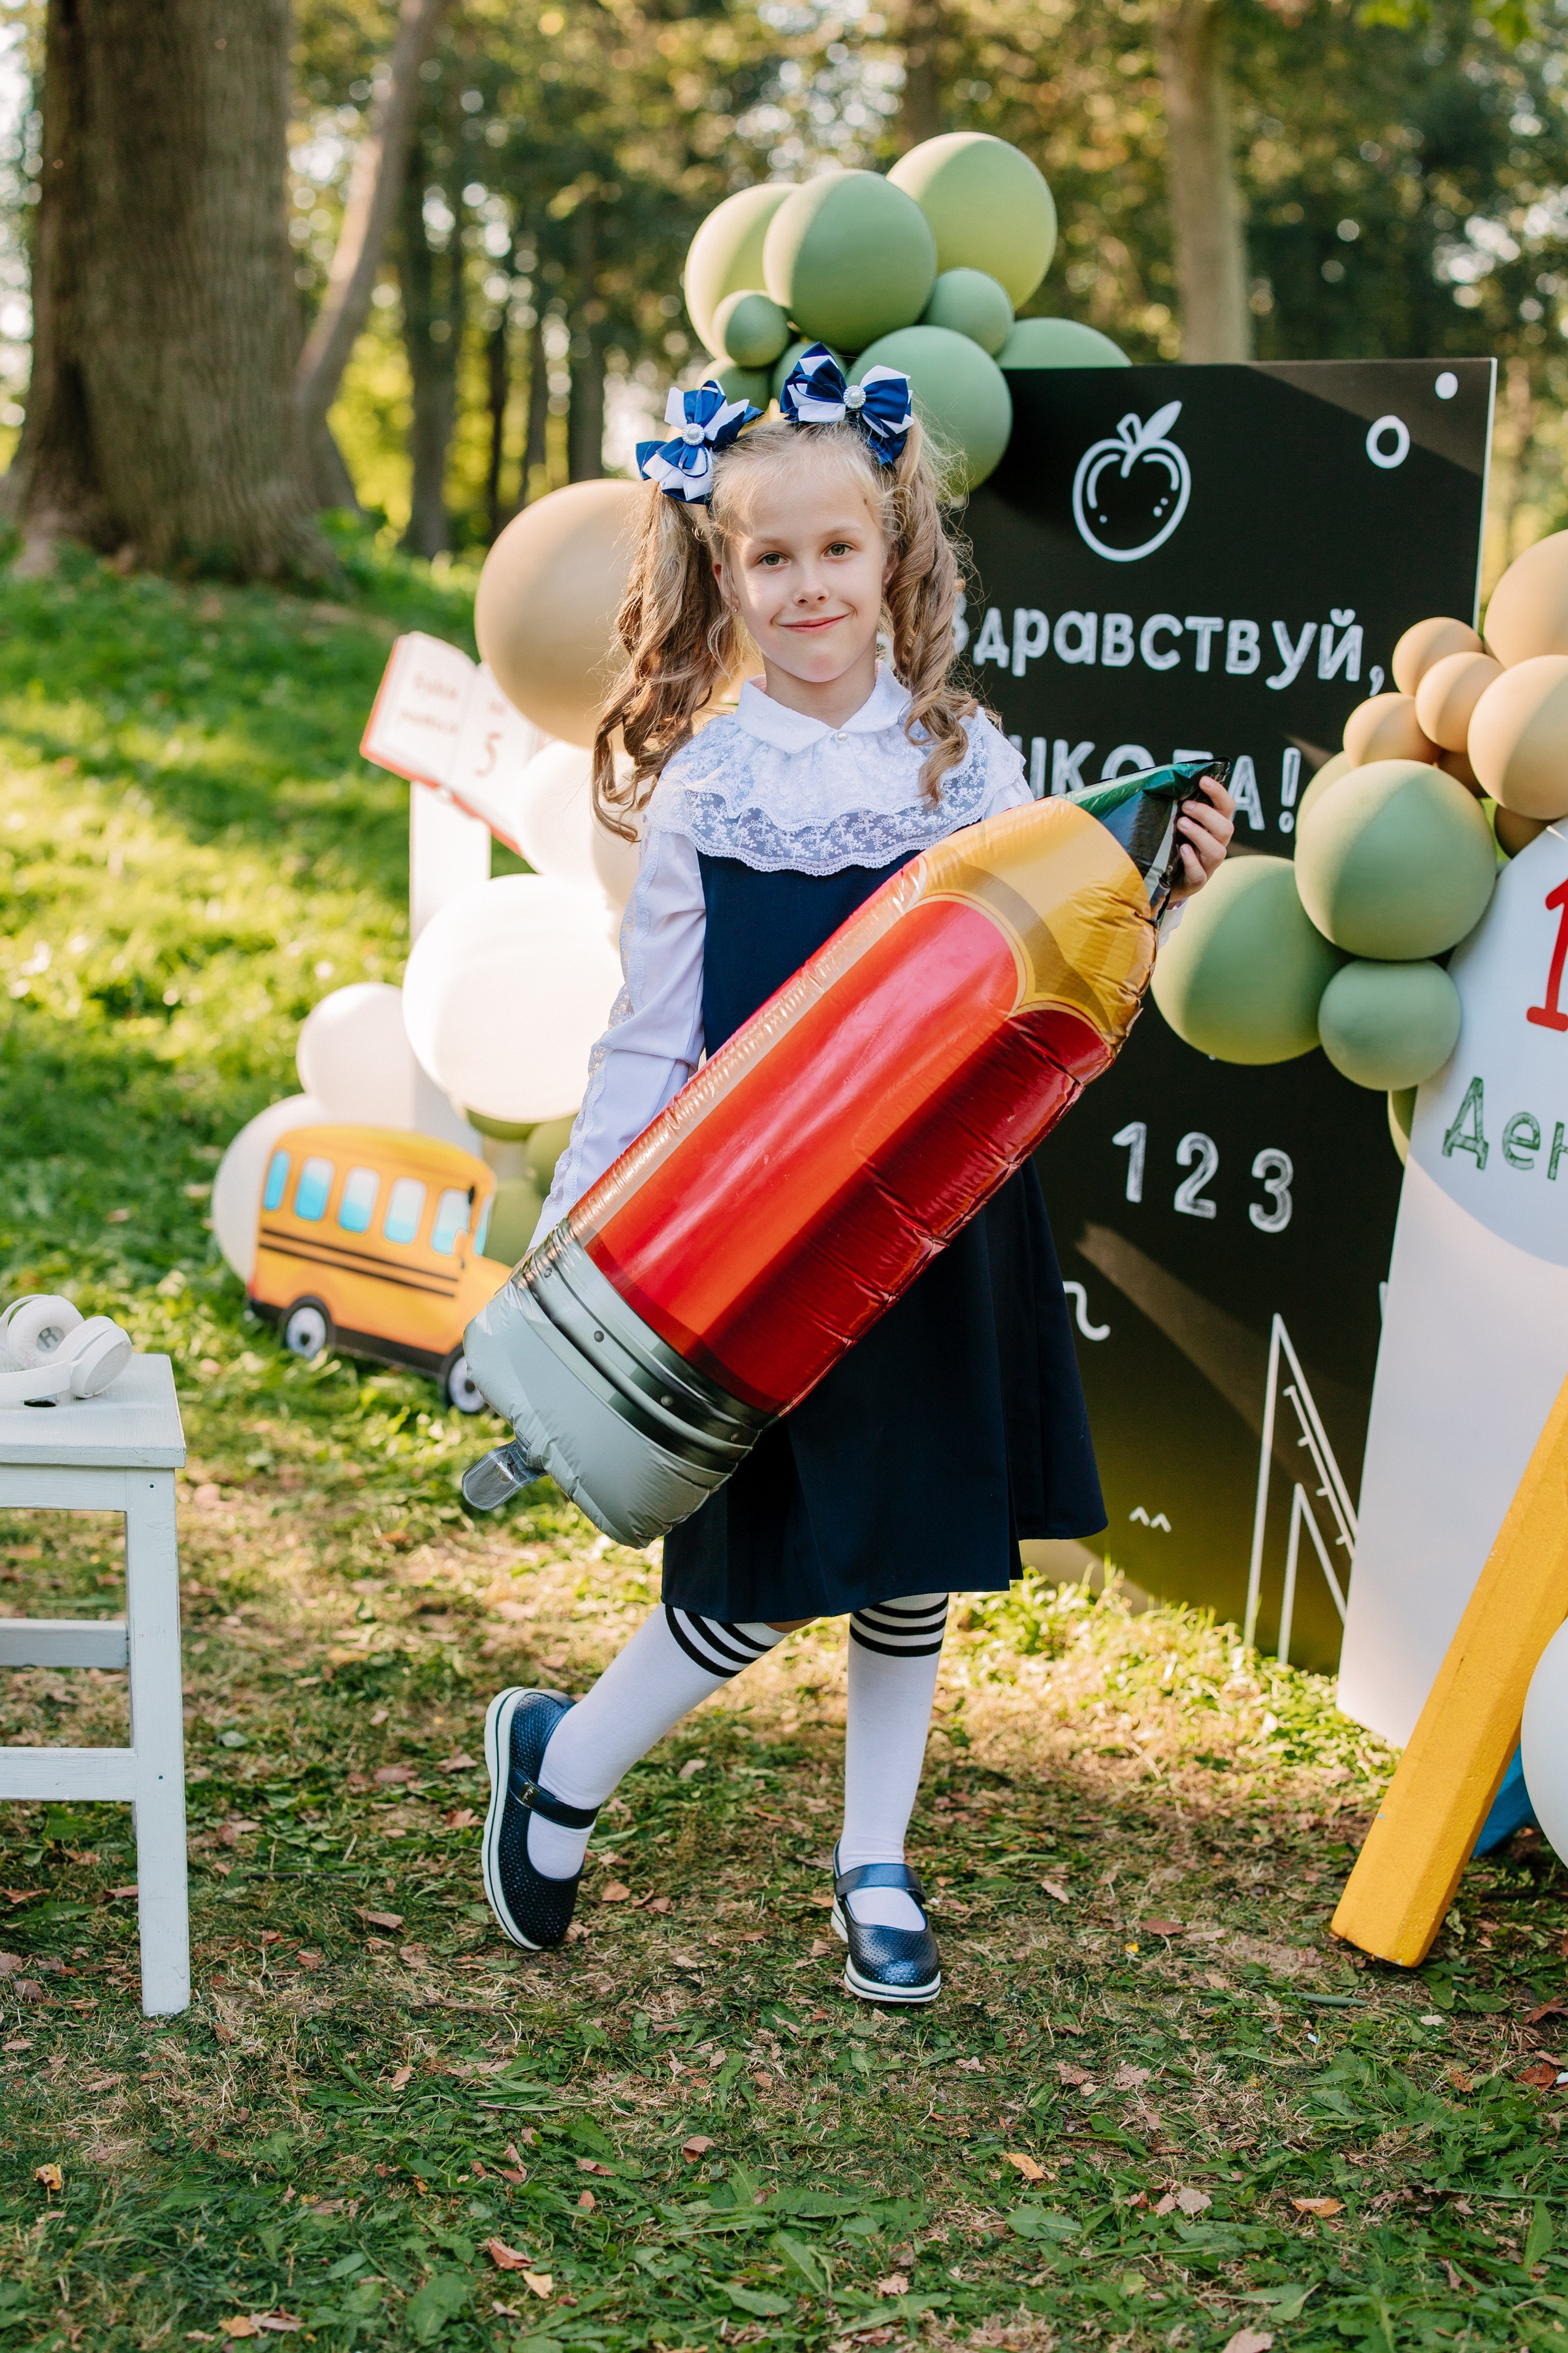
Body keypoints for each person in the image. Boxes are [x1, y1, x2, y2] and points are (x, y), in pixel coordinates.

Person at [480, 346, 1235, 2004]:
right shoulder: (711, 785)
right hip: (760, 1232)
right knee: (761, 1570)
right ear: (719, 570)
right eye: (771, 556)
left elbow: (1057, 982)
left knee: (917, 1546)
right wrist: (587, 1244)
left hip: (939, 1212)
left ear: (895, 555)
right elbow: (648, 1036)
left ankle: (874, 1855)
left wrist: (1160, 888)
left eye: (838, 549)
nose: (809, 584)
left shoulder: (970, 767)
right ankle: (566, 1763)